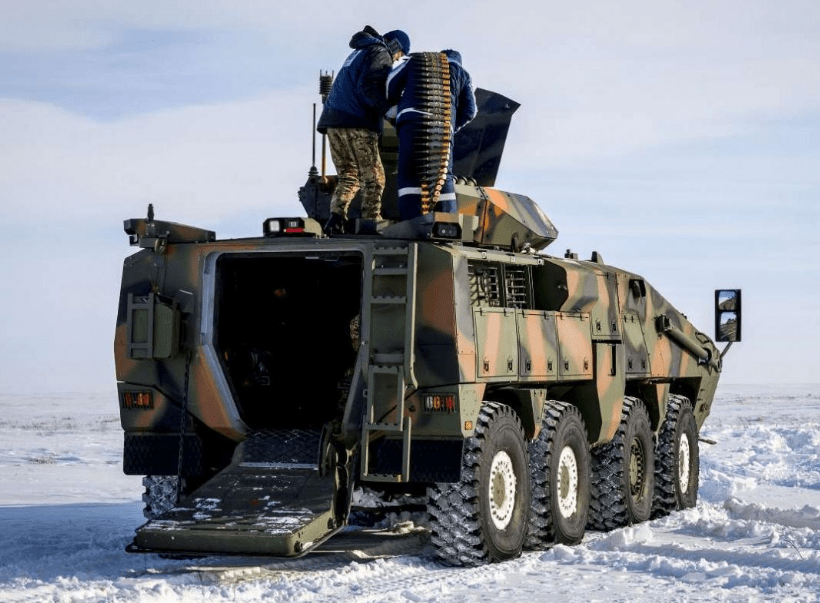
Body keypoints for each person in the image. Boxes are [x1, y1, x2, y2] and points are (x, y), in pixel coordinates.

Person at [317, 26, 411, 234]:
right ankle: (371, 220)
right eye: (400, 54)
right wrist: (388, 110)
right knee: (375, 178)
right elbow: (369, 88)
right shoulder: (380, 52)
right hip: (357, 122)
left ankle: (336, 217)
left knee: (349, 175)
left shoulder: (360, 51)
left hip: (333, 121)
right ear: (396, 46)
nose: (396, 60)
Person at [386, 49, 477, 220]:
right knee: (445, 178)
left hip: (411, 122)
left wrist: (394, 107)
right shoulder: (463, 73)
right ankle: (447, 221)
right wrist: (451, 127)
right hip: (441, 128)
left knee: (409, 174)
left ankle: (411, 222)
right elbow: (470, 111)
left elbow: (391, 82)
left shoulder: (415, 62)